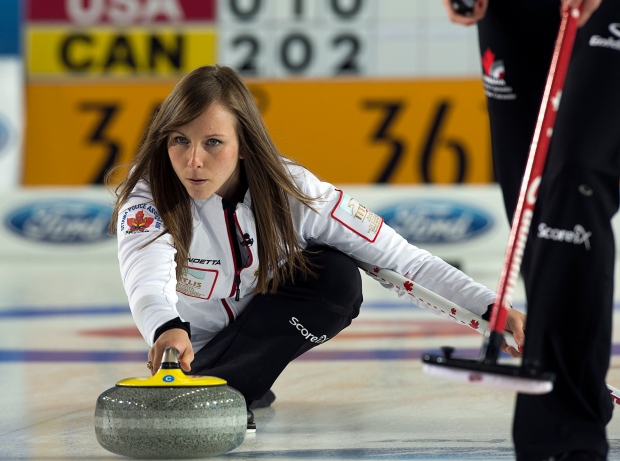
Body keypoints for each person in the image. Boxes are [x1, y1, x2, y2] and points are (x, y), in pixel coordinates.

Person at [106, 64, 526, 431]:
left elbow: (403, 261)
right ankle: (226, 383)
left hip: (254, 340)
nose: (193, 160)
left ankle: (231, 386)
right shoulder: (146, 198)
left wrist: (492, 310)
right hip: (186, 350)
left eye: (213, 142)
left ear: (245, 145)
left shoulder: (298, 194)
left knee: (336, 278)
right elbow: (146, 277)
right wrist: (165, 328)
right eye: (179, 140)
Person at [442, 0, 619, 460]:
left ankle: (565, 435)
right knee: (529, 201)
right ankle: (571, 380)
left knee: (572, 179)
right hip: (512, 13)